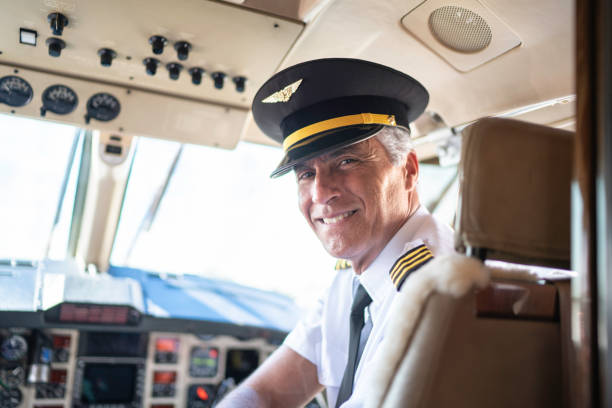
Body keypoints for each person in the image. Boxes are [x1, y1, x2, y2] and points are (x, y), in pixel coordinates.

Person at [217, 58, 454, 407]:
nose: (320, 193)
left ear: (409, 170)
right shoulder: (355, 279)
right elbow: (265, 393)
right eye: (305, 173)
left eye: (346, 161)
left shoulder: (430, 292)